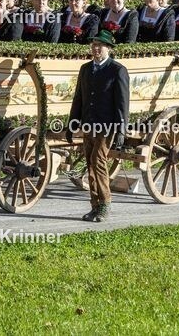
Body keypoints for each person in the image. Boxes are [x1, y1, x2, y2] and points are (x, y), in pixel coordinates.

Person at [67, 29, 129, 223]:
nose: (96, 48)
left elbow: (122, 103)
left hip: (107, 126)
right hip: (88, 124)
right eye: (93, 44)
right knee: (90, 163)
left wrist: (121, 129)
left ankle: (105, 204)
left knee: (98, 161)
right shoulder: (85, 69)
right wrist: (72, 124)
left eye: (100, 45)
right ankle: (94, 207)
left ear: (108, 49)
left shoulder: (117, 70)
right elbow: (79, 98)